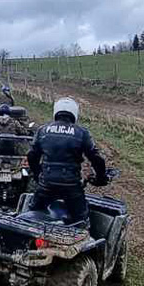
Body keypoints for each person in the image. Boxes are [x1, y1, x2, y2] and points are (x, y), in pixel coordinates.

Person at [26, 97, 108, 226]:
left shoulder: (43, 130)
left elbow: (31, 155)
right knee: (82, 220)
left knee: (31, 212)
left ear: (56, 112)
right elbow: (96, 159)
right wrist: (101, 178)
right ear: (74, 113)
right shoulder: (82, 133)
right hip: (71, 187)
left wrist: (38, 175)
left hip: (46, 185)